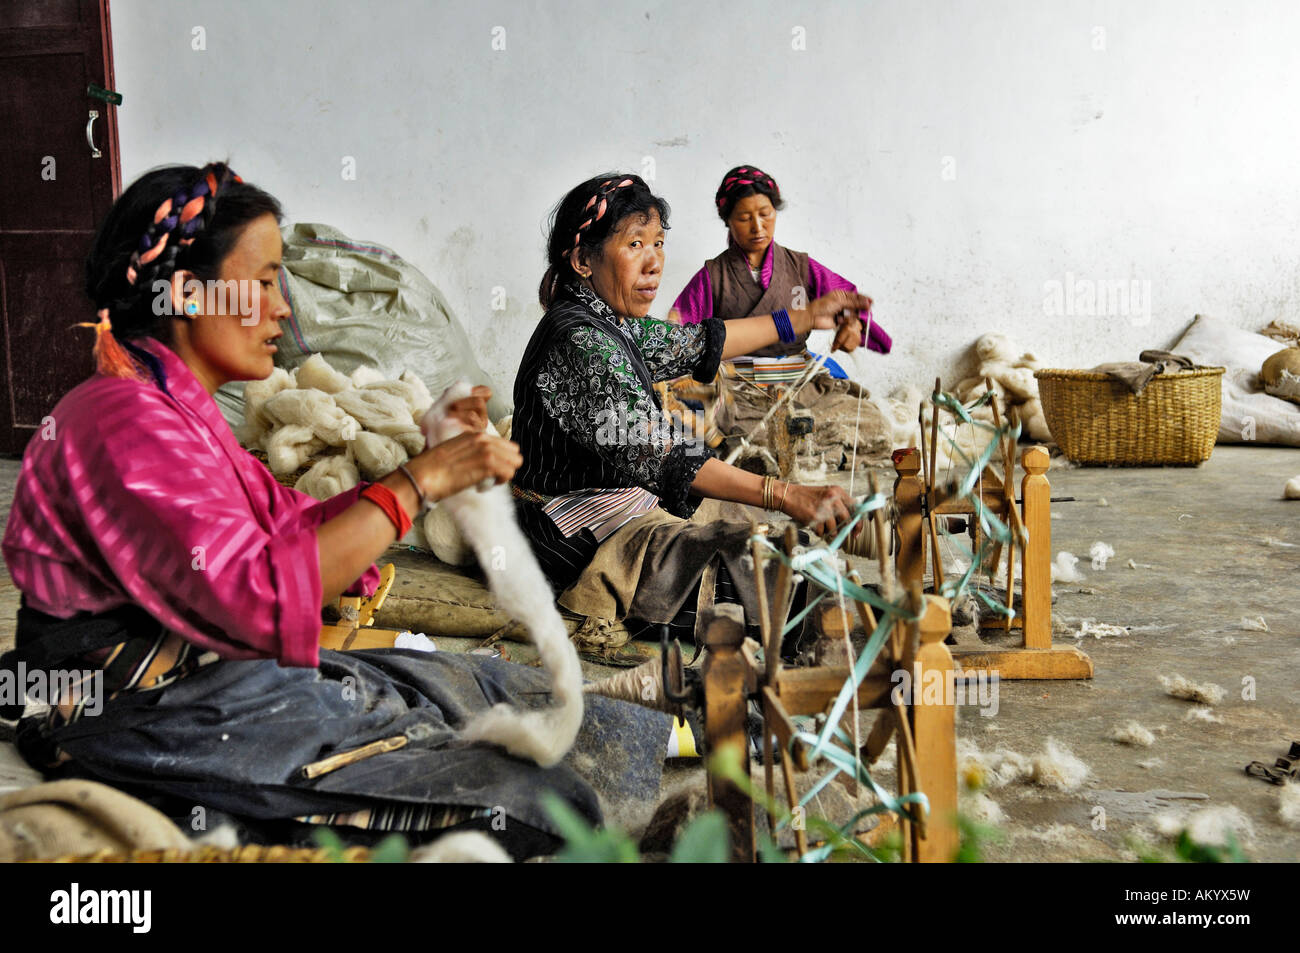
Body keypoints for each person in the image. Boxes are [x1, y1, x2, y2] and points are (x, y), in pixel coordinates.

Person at [0, 163, 667, 859]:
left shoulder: (174, 406)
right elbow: (258, 593)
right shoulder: (124, 421)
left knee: (480, 681)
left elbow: (289, 521)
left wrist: (399, 494)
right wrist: (415, 482)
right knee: (527, 802)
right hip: (138, 721)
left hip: (217, 682)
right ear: (189, 294)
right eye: (263, 283)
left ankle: (660, 758)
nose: (282, 307)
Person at [512, 173, 869, 653]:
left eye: (658, 243)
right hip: (571, 525)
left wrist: (804, 318)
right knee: (765, 594)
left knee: (759, 542)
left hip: (615, 499)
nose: (654, 262)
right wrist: (784, 494)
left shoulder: (607, 322)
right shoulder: (581, 340)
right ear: (581, 260)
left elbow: (698, 342)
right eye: (634, 244)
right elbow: (668, 457)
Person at [669, 164, 893, 471]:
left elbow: (849, 302)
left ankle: (796, 452)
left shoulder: (800, 267)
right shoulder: (713, 276)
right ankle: (803, 455)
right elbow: (675, 337)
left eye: (765, 213)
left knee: (870, 422)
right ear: (728, 221)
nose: (757, 227)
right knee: (722, 429)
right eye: (744, 218)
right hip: (740, 391)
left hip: (802, 386)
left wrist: (853, 326)